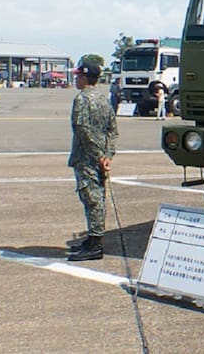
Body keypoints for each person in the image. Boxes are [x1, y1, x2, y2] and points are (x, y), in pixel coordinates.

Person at [66, 60, 119, 261]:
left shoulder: (82, 100)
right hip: (99, 158)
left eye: (78, 76)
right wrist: (108, 155)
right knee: (96, 197)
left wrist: (98, 157)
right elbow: (113, 131)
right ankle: (92, 238)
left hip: (87, 159)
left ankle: (96, 244)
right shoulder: (104, 99)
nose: (76, 79)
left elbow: (82, 129)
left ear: (85, 78)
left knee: (92, 199)